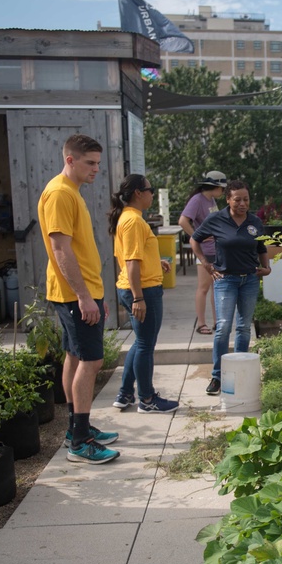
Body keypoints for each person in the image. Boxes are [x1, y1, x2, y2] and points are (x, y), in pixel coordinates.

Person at [37, 134, 120, 465]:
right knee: (91, 362)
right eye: (90, 162)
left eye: (99, 163)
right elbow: (60, 249)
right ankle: (80, 442)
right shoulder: (59, 193)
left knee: (74, 357)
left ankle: (77, 429)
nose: (96, 169)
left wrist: (95, 296)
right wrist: (85, 297)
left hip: (81, 294)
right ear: (70, 159)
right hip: (75, 295)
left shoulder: (70, 191)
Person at [191, 180, 271, 396]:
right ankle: (217, 376)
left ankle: (239, 372)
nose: (242, 203)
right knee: (224, 327)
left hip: (250, 280)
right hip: (225, 280)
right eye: (237, 200)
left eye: (246, 199)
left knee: (244, 327)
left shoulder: (254, 222)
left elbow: (261, 246)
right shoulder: (216, 219)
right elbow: (194, 239)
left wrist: (267, 267)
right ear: (228, 199)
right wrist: (206, 264)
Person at [108, 174, 180, 414]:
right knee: (146, 345)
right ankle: (147, 399)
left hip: (138, 287)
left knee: (140, 342)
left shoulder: (131, 218)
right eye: (150, 190)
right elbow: (131, 261)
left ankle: (125, 393)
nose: (152, 194)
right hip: (142, 291)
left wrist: (155, 260)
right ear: (138, 193)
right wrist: (139, 297)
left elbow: (136, 255)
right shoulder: (133, 221)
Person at [178, 171, 226, 336]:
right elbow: (183, 221)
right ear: (214, 186)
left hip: (216, 249)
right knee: (203, 287)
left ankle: (217, 321)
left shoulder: (211, 200)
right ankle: (201, 323)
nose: (223, 192)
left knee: (216, 287)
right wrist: (196, 237)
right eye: (222, 188)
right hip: (204, 252)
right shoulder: (197, 200)